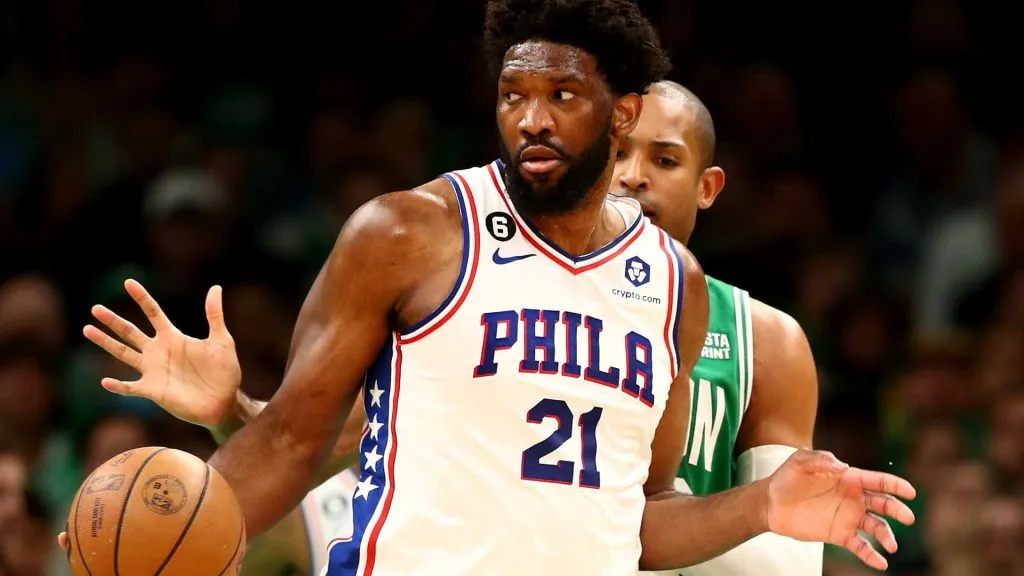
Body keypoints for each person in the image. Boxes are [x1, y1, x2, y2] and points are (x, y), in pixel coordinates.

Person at [64, 0, 916, 574]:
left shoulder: (676, 287)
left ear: (619, 112)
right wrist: (159, 536)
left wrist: (765, 502)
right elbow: (292, 440)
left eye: (563, 95)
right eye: (514, 95)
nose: (533, 118)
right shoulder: (408, 232)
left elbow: (642, 522)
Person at [614, 81, 823, 575]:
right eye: (616, 152)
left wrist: (660, 520)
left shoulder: (769, 340)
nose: (632, 176)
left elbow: (785, 563)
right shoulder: (514, 300)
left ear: (706, 187)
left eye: (665, 161)